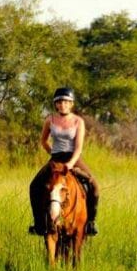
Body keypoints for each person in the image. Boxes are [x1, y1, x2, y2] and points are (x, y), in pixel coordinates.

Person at [29, 87, 100, 235]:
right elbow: (43, 141)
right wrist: (52, 153)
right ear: (55, 104)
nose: (63, 105)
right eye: (59, 102)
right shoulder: (50, 120)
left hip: (73, 158)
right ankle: (39, 224)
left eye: (66, 102)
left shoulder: (78, 121)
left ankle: (91, 222)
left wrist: (71, 163)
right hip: (56, 158)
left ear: (71, 104)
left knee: (93, 185)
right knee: (34, 185)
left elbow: (79, 148)